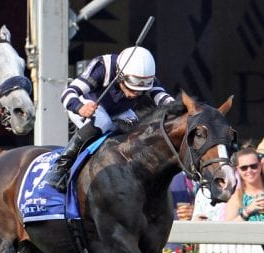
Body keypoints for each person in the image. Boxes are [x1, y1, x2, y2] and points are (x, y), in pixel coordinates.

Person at [45, 46, 175, 192]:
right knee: (103, 123)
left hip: (119, 110)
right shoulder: (103, 67)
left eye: (140, 92)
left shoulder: (144, 76)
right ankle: (60, 168)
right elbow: (68, 92)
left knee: (137, 127)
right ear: (120, 75)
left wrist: (177, 107)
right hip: (90, 104)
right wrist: (80, 107)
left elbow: (161, 96)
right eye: (131, 89)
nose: (134, 95)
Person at [225, 147, 264, 221]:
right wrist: (247, 211)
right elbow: (228, 227)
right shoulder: (236, 196)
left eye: (253, 166)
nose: (249, 170)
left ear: (260, 166)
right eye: (244, 168)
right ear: (238, 170)